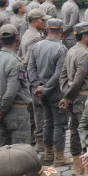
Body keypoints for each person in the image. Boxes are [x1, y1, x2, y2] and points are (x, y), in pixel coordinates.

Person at [29, 19, 69, 167]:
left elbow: (30, 68)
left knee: (47, 122)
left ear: (47, 30)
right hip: (56, 92)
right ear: (62, 31)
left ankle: (48, 153)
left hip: (41, 93)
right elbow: (59, 74)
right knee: (59, 124)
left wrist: (38, 86)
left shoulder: (37, 46)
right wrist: (45, 88)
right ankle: (59, 158)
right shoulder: (61, 49)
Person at [59, 22, 88, 176]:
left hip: (73, 97)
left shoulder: (71, 50)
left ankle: (77, 166)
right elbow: (79, 79)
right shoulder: (85, 54)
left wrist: (66, 95)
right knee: (86, 131)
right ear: (85, 36)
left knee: (74, 130)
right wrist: (68, 96)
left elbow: (63, 76)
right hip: (82, 97)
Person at [0, 24, 32, 146]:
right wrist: (0, 110)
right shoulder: (16, 62)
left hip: (1, 110)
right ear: (17, 39)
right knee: (20, 151)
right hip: (17, 112)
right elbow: (11, 92)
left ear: (0, 40)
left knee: (4, 150)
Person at [22, 9, 49, 151]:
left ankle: (33, 137)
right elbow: (29, 61)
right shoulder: (35, 38)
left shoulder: (28, 33)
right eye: (42, 20)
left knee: (34, 110)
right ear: (34, 21)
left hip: (31, 78)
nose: (45, 22)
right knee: (39, 111)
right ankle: (40, 141)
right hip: (36, 78)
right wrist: (38, 82)